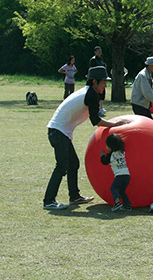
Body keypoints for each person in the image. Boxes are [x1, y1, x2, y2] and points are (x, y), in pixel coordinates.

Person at [43, 66, 129, 210]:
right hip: (58, 132)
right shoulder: (91, 94)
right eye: (103, 82)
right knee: (62, 166)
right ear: (94, 81)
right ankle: (49, 201)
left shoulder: (89, 92)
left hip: (61, 132)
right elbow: (96, 121)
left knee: (73, 164)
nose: (105, 85)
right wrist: (115, 124)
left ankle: (74, 196)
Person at [100, 133, 132, 211]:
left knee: (113, 188)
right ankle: (127, 205)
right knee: (121, 191)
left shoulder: (111, 155)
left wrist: (102, 155)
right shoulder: (122, 152)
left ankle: (117, 202)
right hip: (127, 175)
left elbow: (104, 162)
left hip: (119, 176)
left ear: (111, 147)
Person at [89, 46, 107, 116]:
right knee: (97, 94)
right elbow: (92, 70)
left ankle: (101, 107)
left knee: (102, 93)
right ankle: (97, 109)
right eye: (98, 51)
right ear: (95, 52)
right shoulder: (93, 60)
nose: (100, 53)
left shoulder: (101, 59)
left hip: (102, 78)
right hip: (96, 79)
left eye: (100, 51)